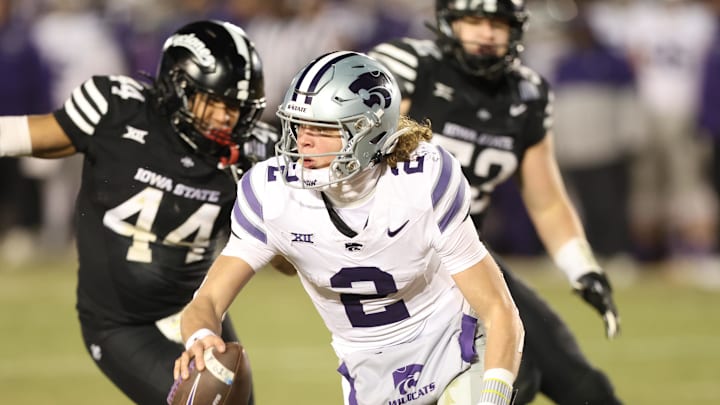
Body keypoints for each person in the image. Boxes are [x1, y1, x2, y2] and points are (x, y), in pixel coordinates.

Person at [174, 51, 525, 405]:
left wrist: (494, 395)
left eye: (323, 128)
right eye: (299, 126)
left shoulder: (421, 180)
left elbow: (498, 309)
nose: (303, 142)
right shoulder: (270, 193)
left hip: (453, 348)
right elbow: (206, 301)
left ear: (369, 133)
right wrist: (200, 336)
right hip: (368, 372)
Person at [0, 20, 276, 404]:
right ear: (178, 88)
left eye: (236, 107)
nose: (225, 119)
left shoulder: (253, 153)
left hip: (196, 309)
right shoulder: (117, 110)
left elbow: (284, 258)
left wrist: (267, 199)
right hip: (123, 324)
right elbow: (32, 136)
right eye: (213, 102)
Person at [368, 1, 622, 404]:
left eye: (497, 24)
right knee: (511, 381)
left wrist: (581, 267)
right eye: (474, 20)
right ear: (449, 22)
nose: (486, 34)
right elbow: (361, 160)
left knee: (585, 388)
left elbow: (546, 200)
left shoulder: (527, 93)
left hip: (468, 255)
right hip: (403, 259)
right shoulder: (408, 65)